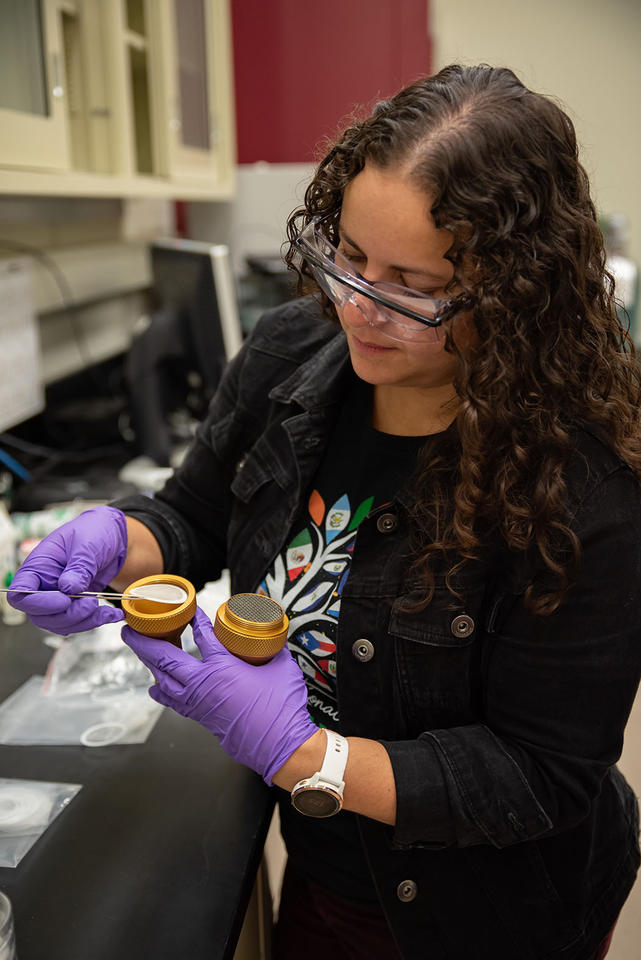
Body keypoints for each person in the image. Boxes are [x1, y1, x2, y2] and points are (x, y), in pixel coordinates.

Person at [9, 64, 641, 960]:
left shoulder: (584, 482)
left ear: (512, 292)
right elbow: (196, 512)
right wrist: (120, 540)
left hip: (483, 914)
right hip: (328, 864)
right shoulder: (289, 351)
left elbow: (542, 775)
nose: (355, 305)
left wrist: (310, 758)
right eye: (346, 257)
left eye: (408, 285)